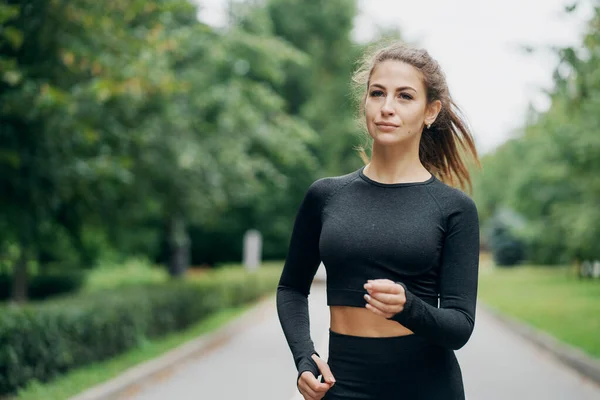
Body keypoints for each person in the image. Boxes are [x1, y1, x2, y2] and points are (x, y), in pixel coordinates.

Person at [276, 41, 481, 400]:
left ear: (430, 111)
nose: (387, 108)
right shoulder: (326, 196)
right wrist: (305, 359)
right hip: (342, 388)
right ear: (365, 103)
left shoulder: (454, 208)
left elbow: (460, 326)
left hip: (426, 387)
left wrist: (409, 307)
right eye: (377, 93)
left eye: (404, 96)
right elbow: (291, 288)